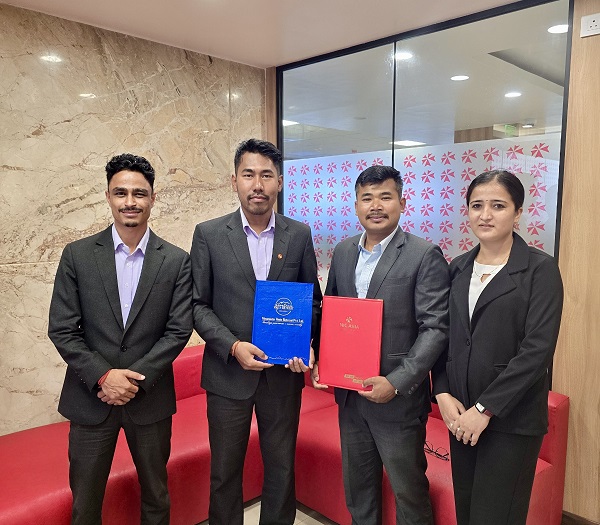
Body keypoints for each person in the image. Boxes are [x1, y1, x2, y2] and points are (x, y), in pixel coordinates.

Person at [48, 153, 193, 525]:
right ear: (108, 197)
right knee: (85, 504)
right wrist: (104, 376)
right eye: (121, 192)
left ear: (153, 198)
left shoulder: (176, 260)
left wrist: (133, 380)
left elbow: (178, 330)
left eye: (139, 193)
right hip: (90, 399)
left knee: (156, 498)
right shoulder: (77, 255)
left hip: (150, 398)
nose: (130, 201)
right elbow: (62, 328)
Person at [191, 138, 322, 525]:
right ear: (234, 181)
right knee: (224, 472)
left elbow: (312, 300)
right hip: (227, 374)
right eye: (249, 175)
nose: (258, 184)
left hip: (283, 374)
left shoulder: (299, 234)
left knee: (281, 469)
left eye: (267, 175)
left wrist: (308, 342)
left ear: (279, 182)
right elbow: (197, 305)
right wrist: (233, 346)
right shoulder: (209, 234)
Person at [313, 165, 450, 525]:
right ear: (356, 205)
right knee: (358, 490)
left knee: (409, 493)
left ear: (402, 203)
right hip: (349, 395)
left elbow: (435, 328)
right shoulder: (343, 251)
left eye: (385, 197)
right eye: (367, 198)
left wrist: (397, 382)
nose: (375, 206)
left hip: (396, 400)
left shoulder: (423, 254)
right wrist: (323, 361)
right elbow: (332, 313)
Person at [432, 170, 563, 525]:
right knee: (467, 512)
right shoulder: (458, 267)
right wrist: (442, 392)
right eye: (477, 205)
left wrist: (485, 409)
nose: (485, 215)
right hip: (461, 416)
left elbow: (537, 351)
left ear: (518, 212)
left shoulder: (539, 269)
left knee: (495, 517)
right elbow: (443, 336)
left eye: (498, 205)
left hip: (510, 421)